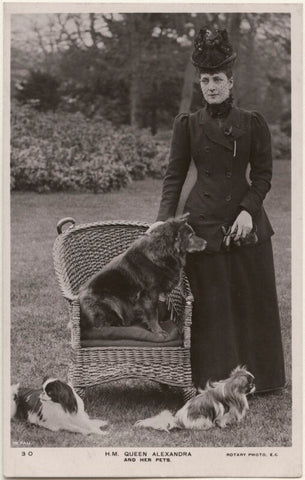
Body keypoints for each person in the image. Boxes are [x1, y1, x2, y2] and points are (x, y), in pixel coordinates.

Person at [155, 27, 286, 393]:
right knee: (211, 306)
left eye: (218, 79)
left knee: (249, 301)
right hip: (203, 226)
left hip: (246, 224)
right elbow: (174, 176)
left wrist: (247, 210)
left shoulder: (252, 122)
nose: (211, 86)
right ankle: (211, 379)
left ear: (231, 81)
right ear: (200, 84)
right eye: (205, 80)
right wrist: (164, 222)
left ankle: (259, 379)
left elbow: (262, 175)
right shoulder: (188, 125)